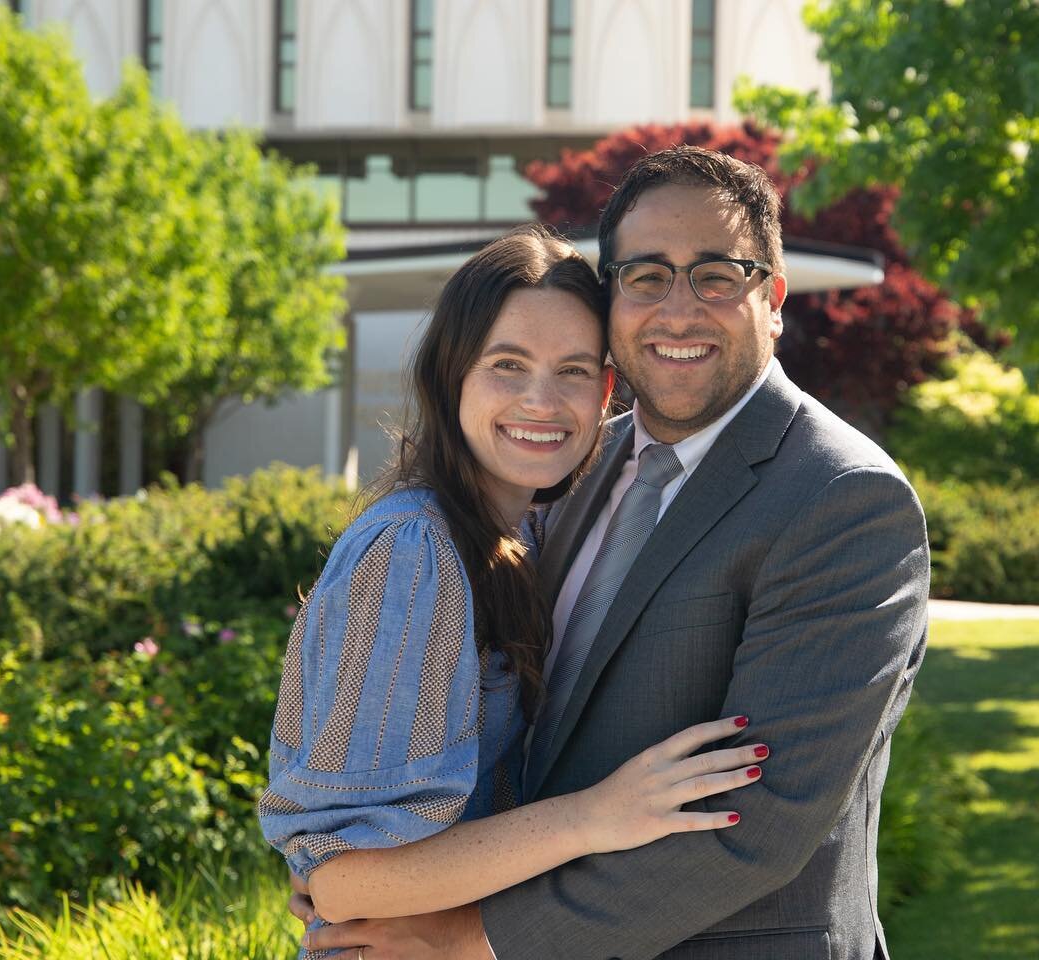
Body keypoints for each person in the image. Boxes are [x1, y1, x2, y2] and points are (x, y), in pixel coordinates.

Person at [294, 147, 931, 960]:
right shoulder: (572, 470)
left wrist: (465, 937)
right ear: (613, 297)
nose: (678, 309)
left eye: (716, 274)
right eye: (646, 275)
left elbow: (757, 828)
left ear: (772, 298)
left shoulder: (842, 499)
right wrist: (366, 878)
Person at [259, 226, 770, 960]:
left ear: (604, 392)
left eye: (572, 371)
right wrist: (597, 816)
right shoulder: (416, 548)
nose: (542, 400)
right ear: (450, 375)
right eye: (508, 365)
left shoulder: (521, 532)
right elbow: (342, 884)